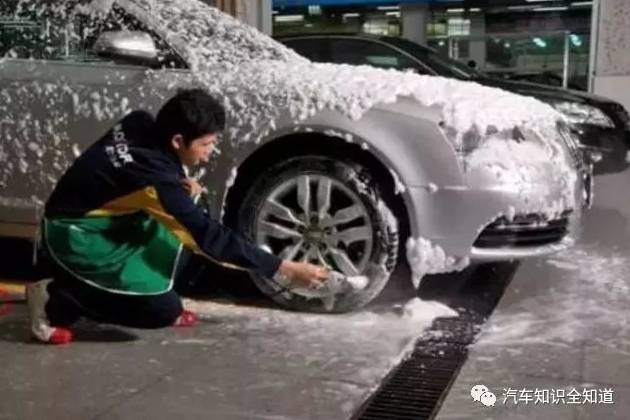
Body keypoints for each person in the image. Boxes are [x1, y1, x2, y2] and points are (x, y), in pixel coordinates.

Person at [27, 89, 330, 345]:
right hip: (74, 235)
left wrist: (177, 181)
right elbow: (209, 239)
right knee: (160, 311)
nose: (210, 152)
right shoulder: (158, 182)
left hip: (110, 220)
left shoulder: (140, 122)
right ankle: (56, 296)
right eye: (206, 144)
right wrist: (285, 268)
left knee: (194, 208)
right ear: (176, 141)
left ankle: (110, 289)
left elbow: (128, 172)